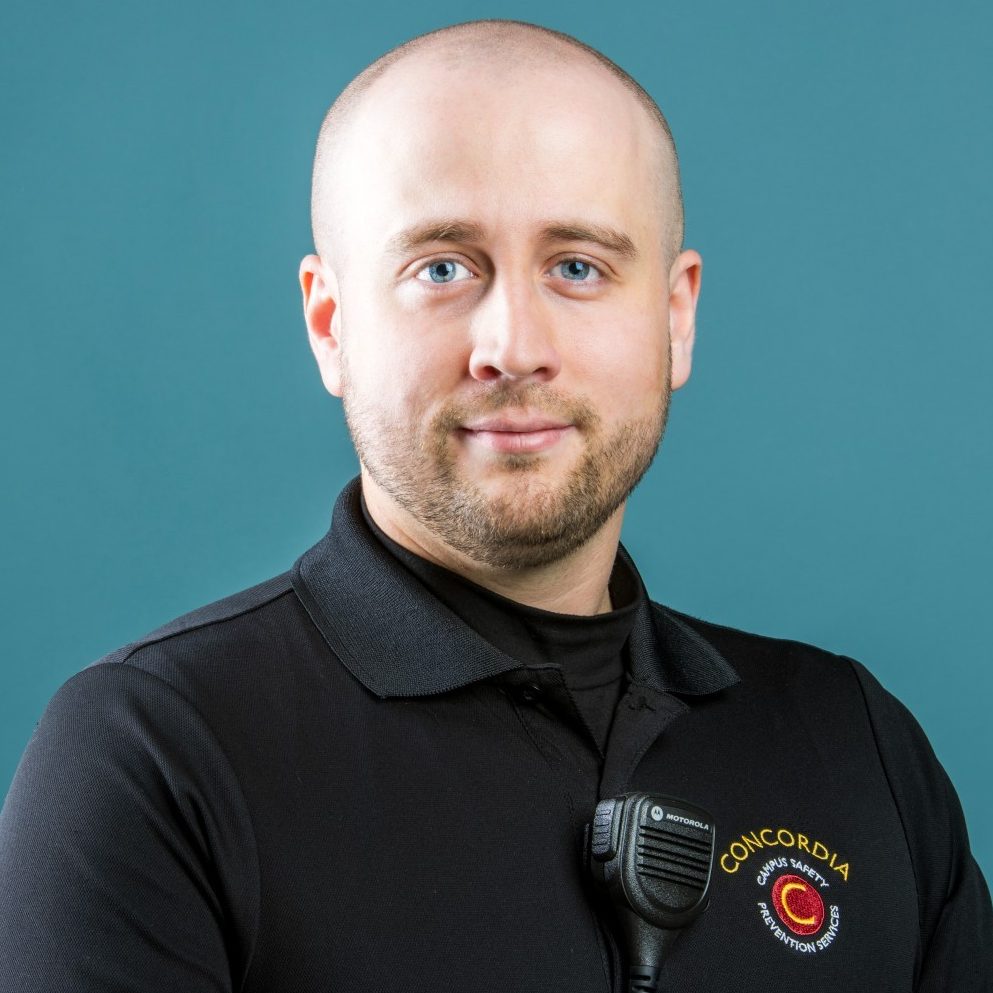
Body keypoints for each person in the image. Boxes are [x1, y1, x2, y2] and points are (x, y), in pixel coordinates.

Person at [0, 17, 989, 992]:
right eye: (441, 267)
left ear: (676, 317)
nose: (513, 346)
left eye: (577, 267)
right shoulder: (151, 757)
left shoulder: (857, 747)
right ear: (331, 324)